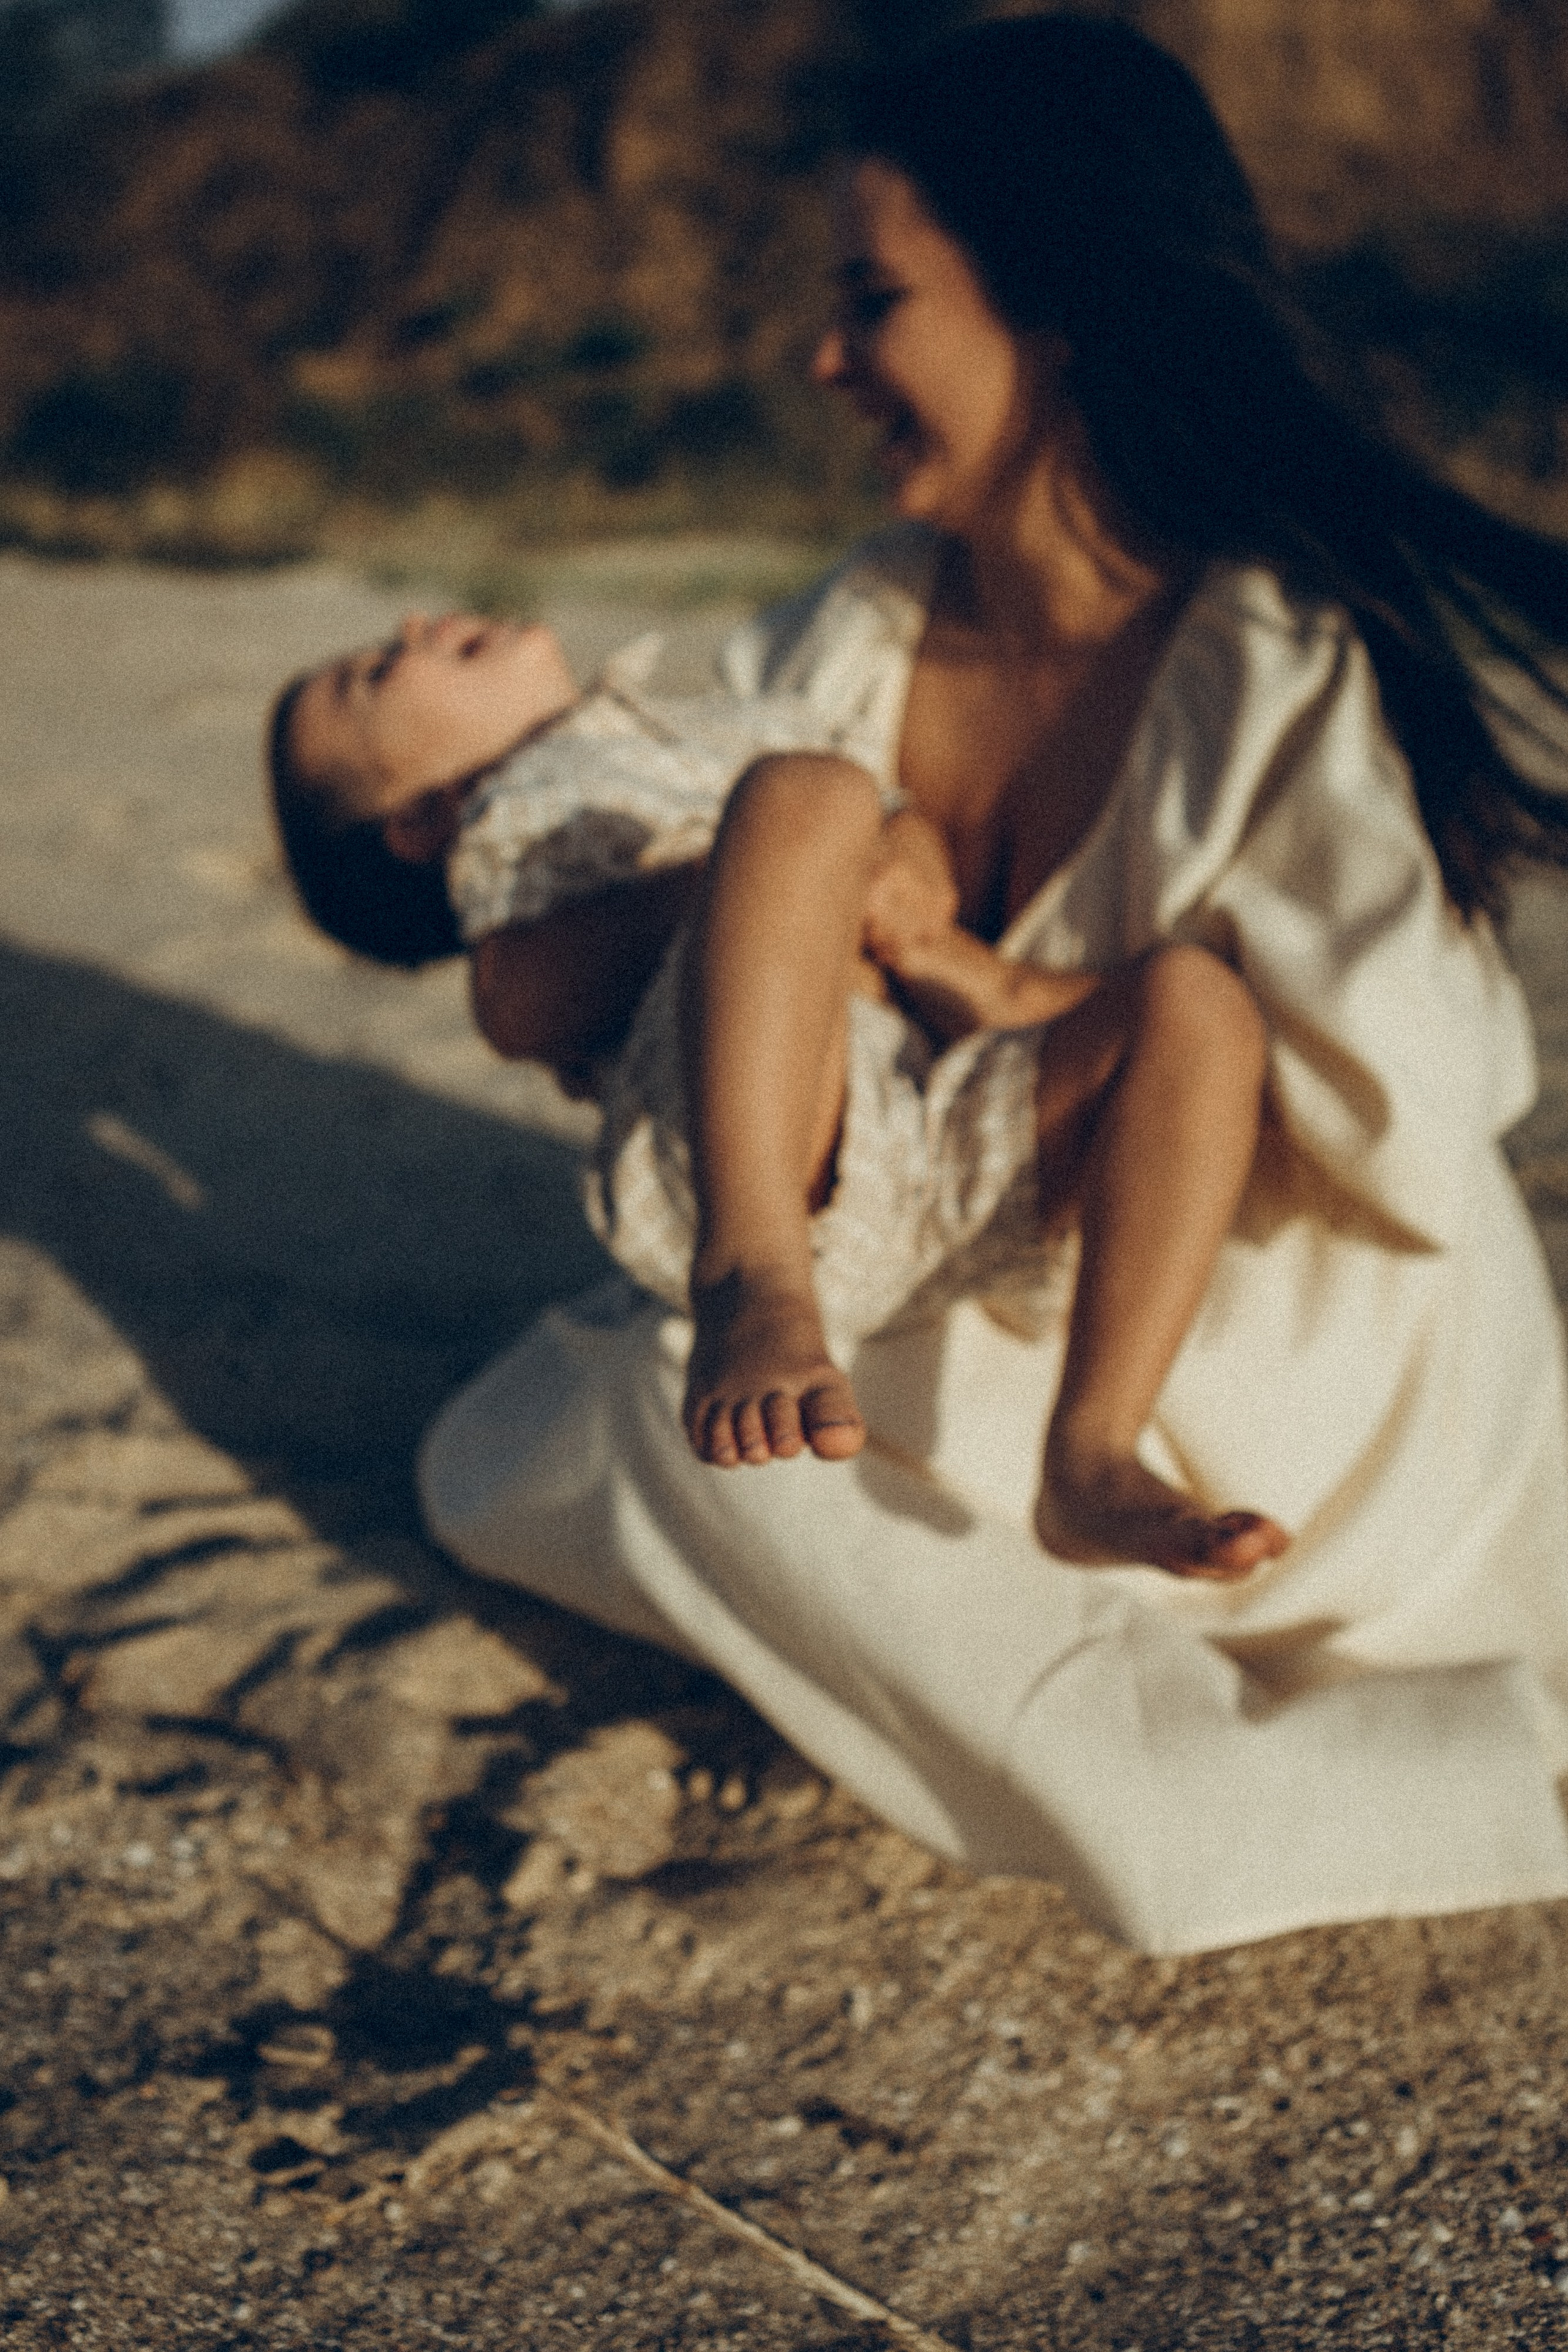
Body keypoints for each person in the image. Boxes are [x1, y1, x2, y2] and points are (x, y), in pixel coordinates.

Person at [337, 15, 1568, 1950]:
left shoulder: (1278, 649)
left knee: (644, 1429)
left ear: (1059, 304)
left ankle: (1239, 1778)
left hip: (1263, 1334)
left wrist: (969, 962)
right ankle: (1132, 1700)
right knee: (522, 1447)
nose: (829, 362)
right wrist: (789, 915)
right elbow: (646, 911)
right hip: (941, 1252)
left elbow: (1410, 1115)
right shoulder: (858, 620)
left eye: (874, 302)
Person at [271, 602, 1291, 1577]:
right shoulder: (527, 805)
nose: (409, 628)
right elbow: (517, 1004)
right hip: (755, 1156)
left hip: (934, 1137)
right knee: (808, 793)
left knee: (1193, 999)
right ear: (420, 817)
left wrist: (902, 856)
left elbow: (902, 830)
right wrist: (769, 861)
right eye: (370, 674)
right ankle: (751, 1276)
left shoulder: (733, 717)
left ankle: (1093, 1451)